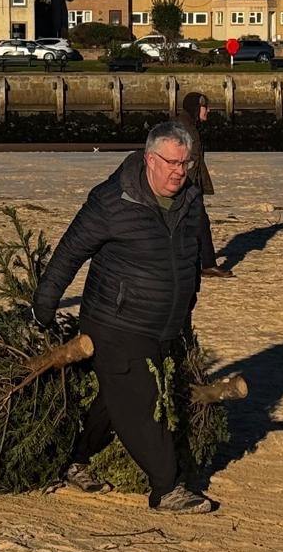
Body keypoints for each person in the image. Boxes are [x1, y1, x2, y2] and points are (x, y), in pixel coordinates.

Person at [33, 122, 217, 514]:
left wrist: (186, 312)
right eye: (171, 163)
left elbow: (189, 260)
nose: (178, 172)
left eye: (186, 164)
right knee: (139, 402)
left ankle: (74, 459)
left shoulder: (191, 200)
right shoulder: (111, 201)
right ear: (150, 160)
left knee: (112, 399)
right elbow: (69, 253)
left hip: (164, 324)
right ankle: (166, 489)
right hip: (113, 322)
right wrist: (44, 306)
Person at [174, 91, 232, 278]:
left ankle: (204, 263)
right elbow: (184, 160)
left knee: (196, 223)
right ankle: (206, 264)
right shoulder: (185, 128)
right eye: (205, 107)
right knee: (196, 222)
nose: (208, 110)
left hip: (188, 184)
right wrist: (184, 187)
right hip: (184, 185)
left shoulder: (188, 125)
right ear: (196, 108)